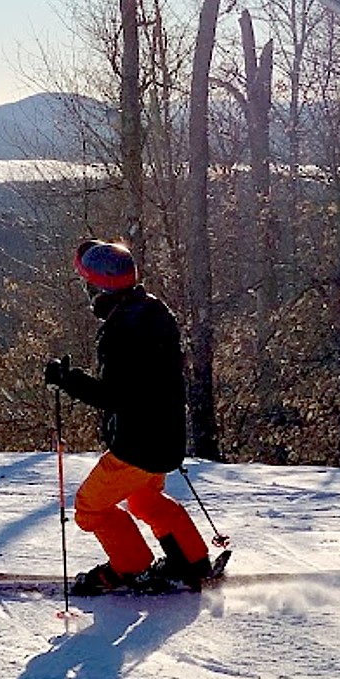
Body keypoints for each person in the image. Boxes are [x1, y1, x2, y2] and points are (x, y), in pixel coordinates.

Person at [43, 239, 213, 596]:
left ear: (101, 289)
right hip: (166, 439)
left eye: (88, 286)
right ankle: (192, 561)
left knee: (90, 508)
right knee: (143, 501)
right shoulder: (152, 310)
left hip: (137, 447)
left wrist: (66, 379)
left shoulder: (122, 332)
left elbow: (113, 396)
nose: (88, 294)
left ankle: (130, 566)